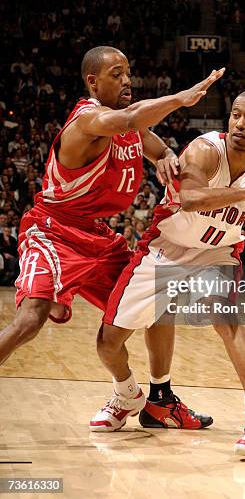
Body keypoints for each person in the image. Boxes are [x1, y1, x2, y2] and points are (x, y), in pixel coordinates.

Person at [0, 41, 224, 438]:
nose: (127, 79)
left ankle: (156, 399)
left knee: (157, 297)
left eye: (128, 72)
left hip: (97, 236)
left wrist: (167, 158)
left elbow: (152, 144)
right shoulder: (88, 120)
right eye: (116, 74)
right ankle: (125, 392)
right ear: (93, 81)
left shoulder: (130, 128)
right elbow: (131, 118)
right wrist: (182, 98)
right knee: (29, 321)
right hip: (52, 230)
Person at [91, 89, 245, 457]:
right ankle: (126, 395)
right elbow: (189, 199)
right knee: (108, 342)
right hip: (165, 248)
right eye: (236, 115)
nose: (240, 123)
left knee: (226, 319)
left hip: (217, 253)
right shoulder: (205, 149)